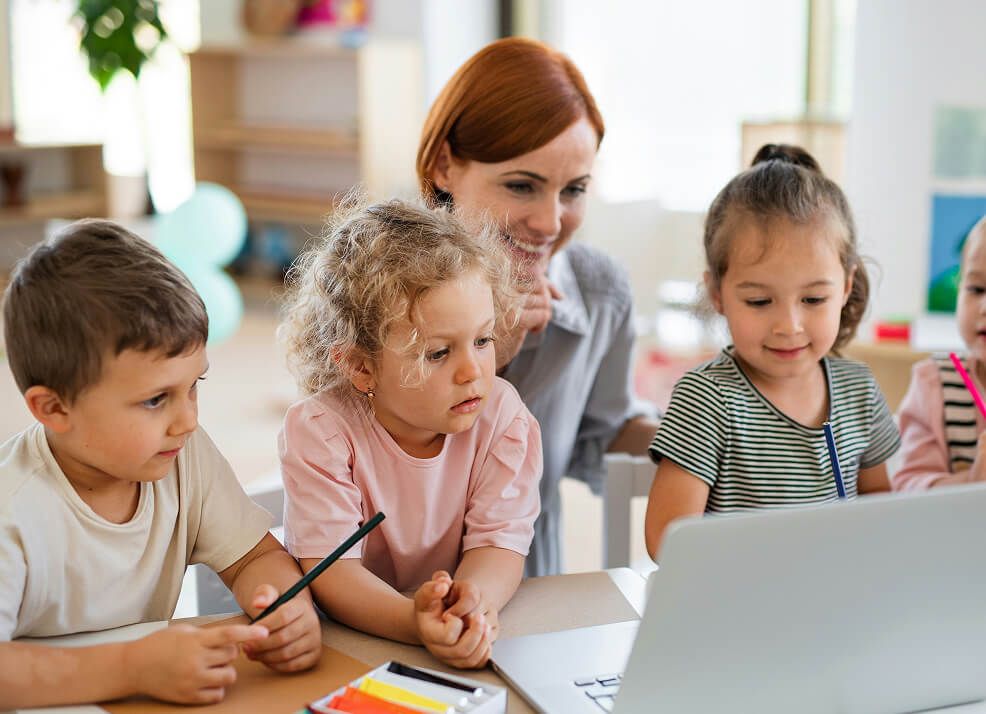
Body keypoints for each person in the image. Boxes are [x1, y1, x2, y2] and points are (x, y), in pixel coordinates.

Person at [0, 220, 322, 710]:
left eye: (194, 386)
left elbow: (255, 558)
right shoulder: (12, 506)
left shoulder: (181, 455)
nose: (188, 420)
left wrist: (283, 607)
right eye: (156, 400)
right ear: (54, 409)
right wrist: (132, 667)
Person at [417, 37, 659, 576]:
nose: (551, 223)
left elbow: (602, 437)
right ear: (442, 166)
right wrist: (486, 356)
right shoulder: (373, 289)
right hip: (391, 603)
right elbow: (375, 478)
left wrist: (711, 427)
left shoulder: (600, 294)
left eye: (572, 190)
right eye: (522, 185)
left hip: (529, 598)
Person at [279, 198, 542, 669]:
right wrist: (415, 621)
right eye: (438, 353)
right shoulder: (320, 431)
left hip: (444, 639)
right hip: (354, 646)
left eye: (482, 341)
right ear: (361, 367)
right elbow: (333, 575)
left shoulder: (502, 417)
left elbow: (499, 544)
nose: (472, 372)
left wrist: (470, 607)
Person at [644, 145, 901, 558]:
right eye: (760, 302)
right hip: (740, 610)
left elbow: (882, 516)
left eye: (814, 299)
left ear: (846, 287)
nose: (789, 326)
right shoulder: (706, 400)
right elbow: (668, 541)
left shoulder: (859, 391)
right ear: (717, 293)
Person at [892, 215, 986, 489]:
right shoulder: (934, 383)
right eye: (976, 289)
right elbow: (908, 485)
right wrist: (972, 482)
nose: (984, 307)